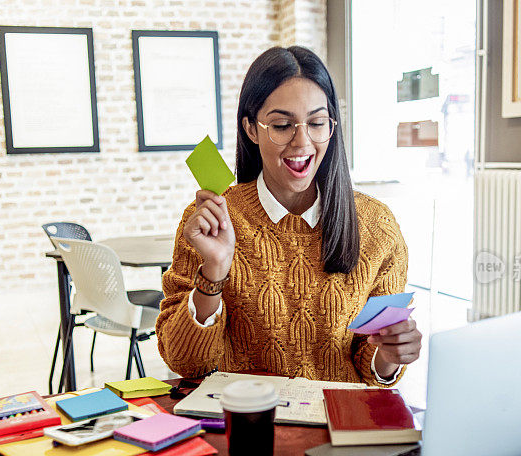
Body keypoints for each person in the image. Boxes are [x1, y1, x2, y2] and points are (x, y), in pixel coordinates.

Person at [155, 46, 421, 386]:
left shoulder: (376, 225)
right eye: (282, 125)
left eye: (317, 123)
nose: (302, 141)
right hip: (248, 423)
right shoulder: (211, 221)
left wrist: (389, 355)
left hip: (337, 427)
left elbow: (370, 363)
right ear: (251, 129)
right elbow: (185, 364)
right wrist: (214, 273)